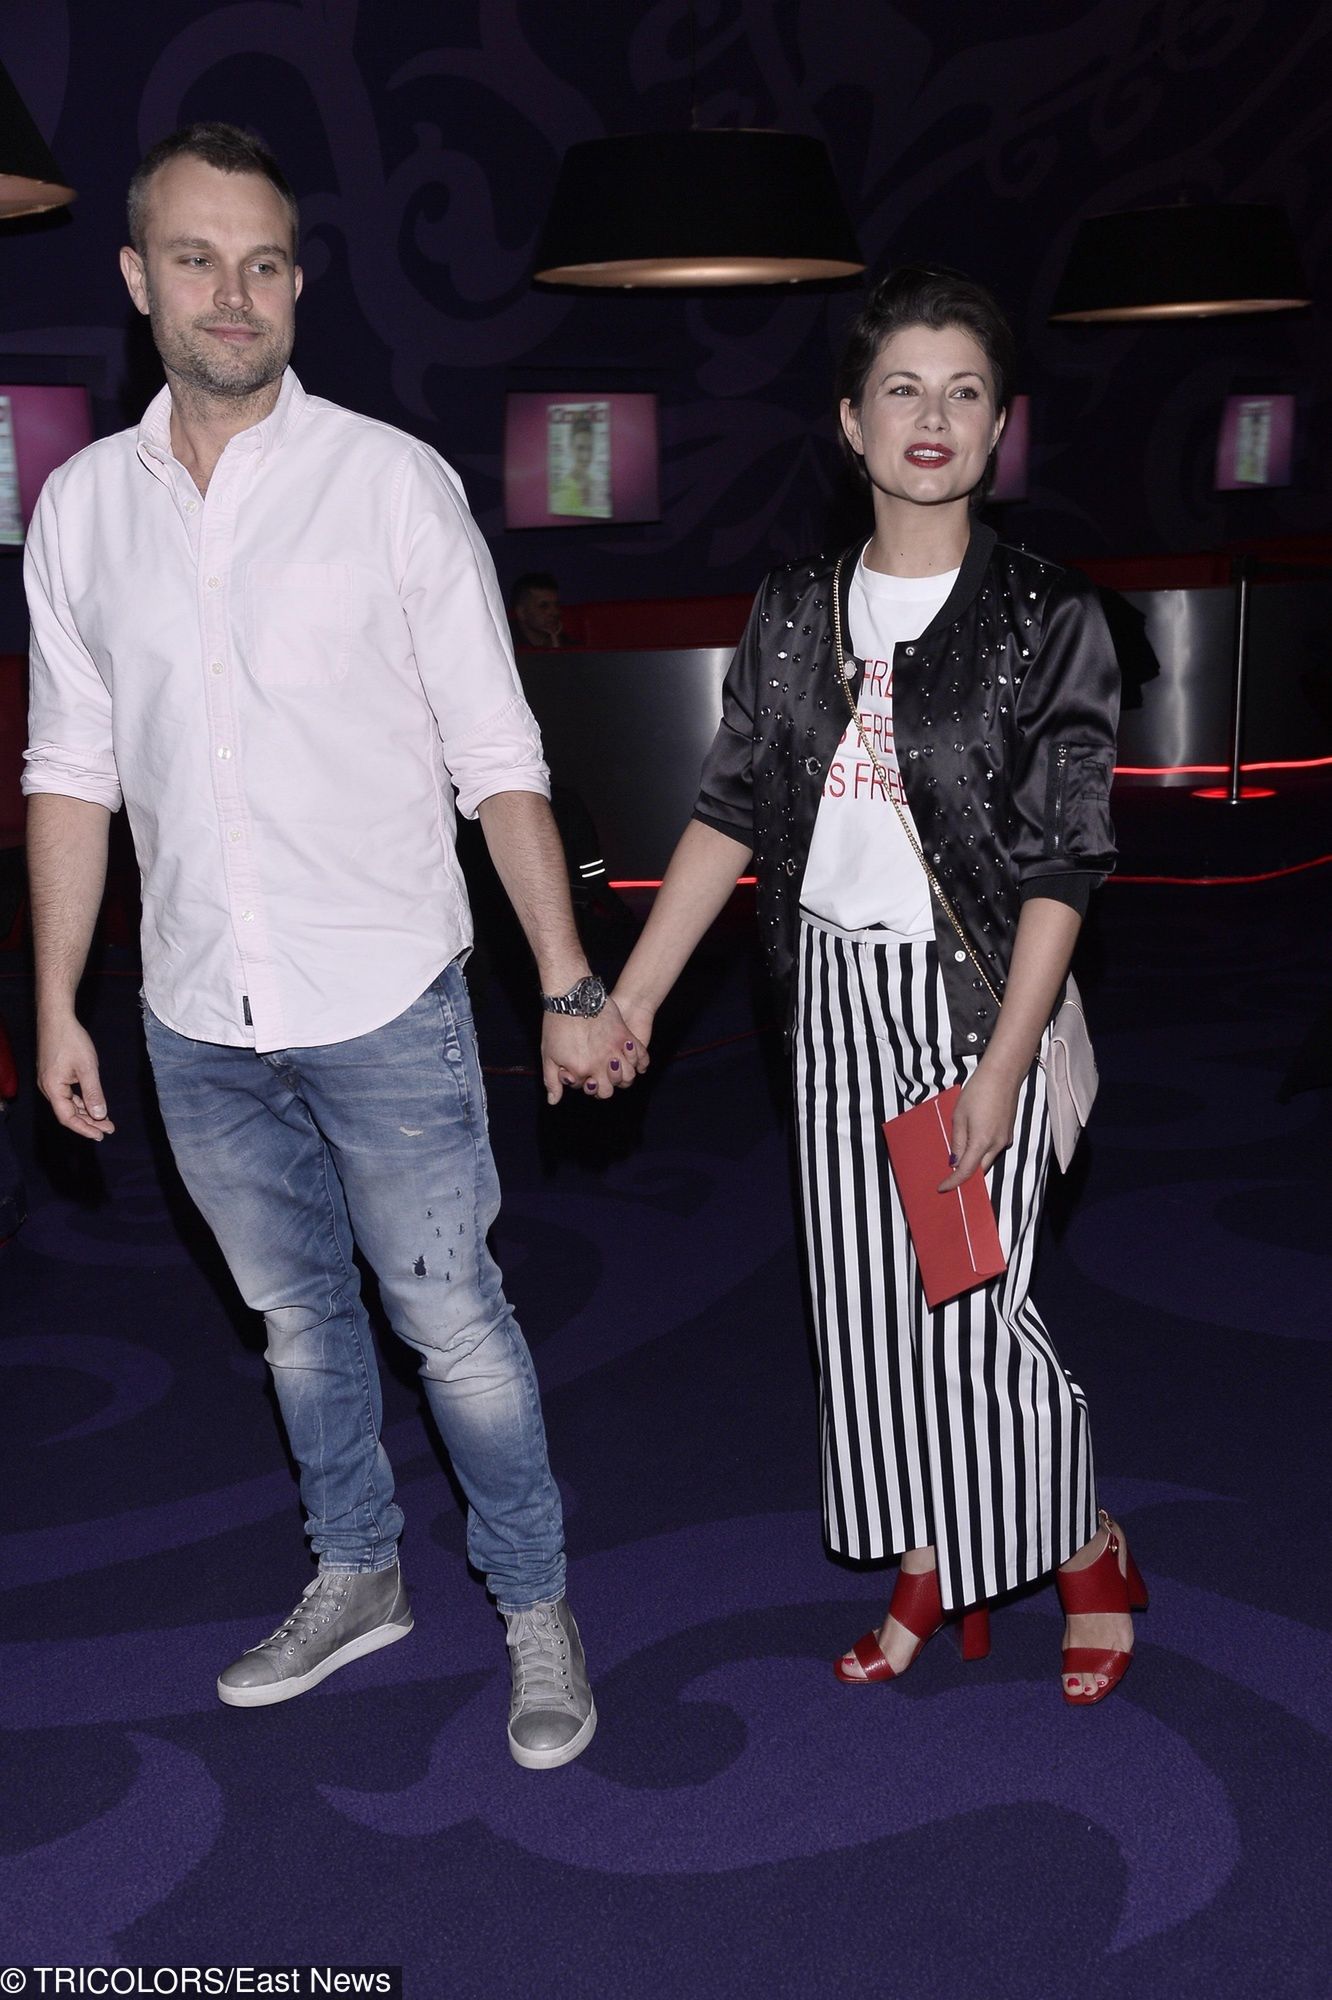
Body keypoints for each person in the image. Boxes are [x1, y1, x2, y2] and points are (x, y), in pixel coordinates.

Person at [22, 122, 644, 1768]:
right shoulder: (81, 512)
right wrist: (56, 1002)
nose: (234, 293)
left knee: (454, 1327)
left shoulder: (390, 484)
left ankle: (533, 1605)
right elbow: (70, 769)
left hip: (384, 999)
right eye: (198, 259)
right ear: (138, 277)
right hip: (190, 1013)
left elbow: (497, 757)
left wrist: (568, 981)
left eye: (265, 263)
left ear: (298, 283)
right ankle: (358, 1574)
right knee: (295, 1327)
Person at [611, 266, 1145, 1706]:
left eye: (965, 392)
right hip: (828, 1002)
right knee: (861, 1314)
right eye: (902, 388)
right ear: (851, 422)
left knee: (972, 1308)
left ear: (999, 427)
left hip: (971, 1006)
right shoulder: (794, 606)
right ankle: (927, 1550)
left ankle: (1082, 1545)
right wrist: (637, 999)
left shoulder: (1046, 614)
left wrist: (1001, 1068)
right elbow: (730, 811)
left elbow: (1065, 864)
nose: (933, 415)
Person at [509, 571, 567, 649]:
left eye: (557, 605)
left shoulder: (568, 644)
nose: (555, 612)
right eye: (544, 606)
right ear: (521, 613)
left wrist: (556, 647)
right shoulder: (506, 645)